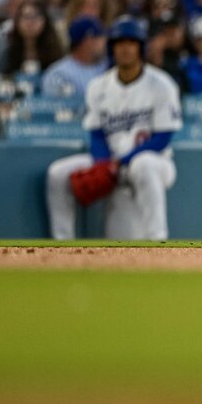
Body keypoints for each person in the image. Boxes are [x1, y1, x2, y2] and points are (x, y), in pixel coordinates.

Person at [46, 18, 183, 241]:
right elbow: (96, 132)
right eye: (120, 43)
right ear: (112, 48)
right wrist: (104, 164)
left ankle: (158, 240)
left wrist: (121, 161)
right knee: (57, 174)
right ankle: (63, 244)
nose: (126, 48)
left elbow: (162, 138)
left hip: (155, 162)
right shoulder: (98, 86)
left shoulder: (162, 84)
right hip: (111, 162)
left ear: (141, 47)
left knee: (144, 164)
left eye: (131, 43)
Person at [41, 17, 108, 98]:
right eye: (100, 37)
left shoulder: (109, 66)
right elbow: (55, 107)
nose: (104, 42)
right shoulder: (59, 74)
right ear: (88, 41)